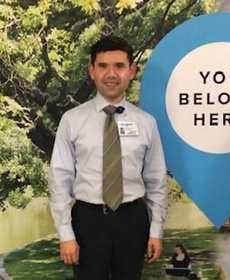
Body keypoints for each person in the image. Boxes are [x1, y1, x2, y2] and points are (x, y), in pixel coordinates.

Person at [49, 35, 168, 280]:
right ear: (91, 71)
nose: (111, 74)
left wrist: (156, 230)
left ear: (132, 71)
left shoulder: (146, 123)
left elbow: (156, 181)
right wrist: (65, 233)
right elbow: (59, 179)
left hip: (133, 221)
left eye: (119, 66)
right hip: (88, 222)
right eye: (103, 66)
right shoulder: (72, 120)